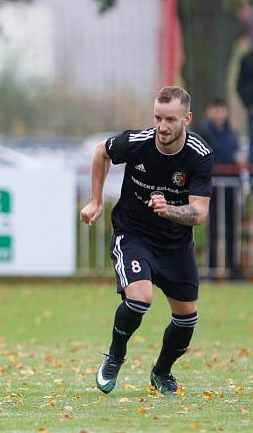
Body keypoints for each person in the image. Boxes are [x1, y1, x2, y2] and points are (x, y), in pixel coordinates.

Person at [80, 86, 213, 395]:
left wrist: (169, 210)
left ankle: (162, 372)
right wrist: (96, 201)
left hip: (175, 246)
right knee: (139, 298)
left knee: (186, 319)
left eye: (170, 120)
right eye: (157, 118)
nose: (162, 127)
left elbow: (199, 213)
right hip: (133, 234)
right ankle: (115, 357)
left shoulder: (199, 156)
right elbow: (102, 151)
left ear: (186, 119)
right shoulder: (137, 143)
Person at [196, 98, 243, 278]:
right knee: (213, 228)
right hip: (211, 185)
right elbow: (218, 154)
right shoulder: (203, 132)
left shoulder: (232, 133)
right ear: (209, 111)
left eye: (221, 109)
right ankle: (212, 268)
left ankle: (232, 268)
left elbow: (234, 154)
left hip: (231, 185)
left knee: (232, 228)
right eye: (215, 109)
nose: (218, 113)